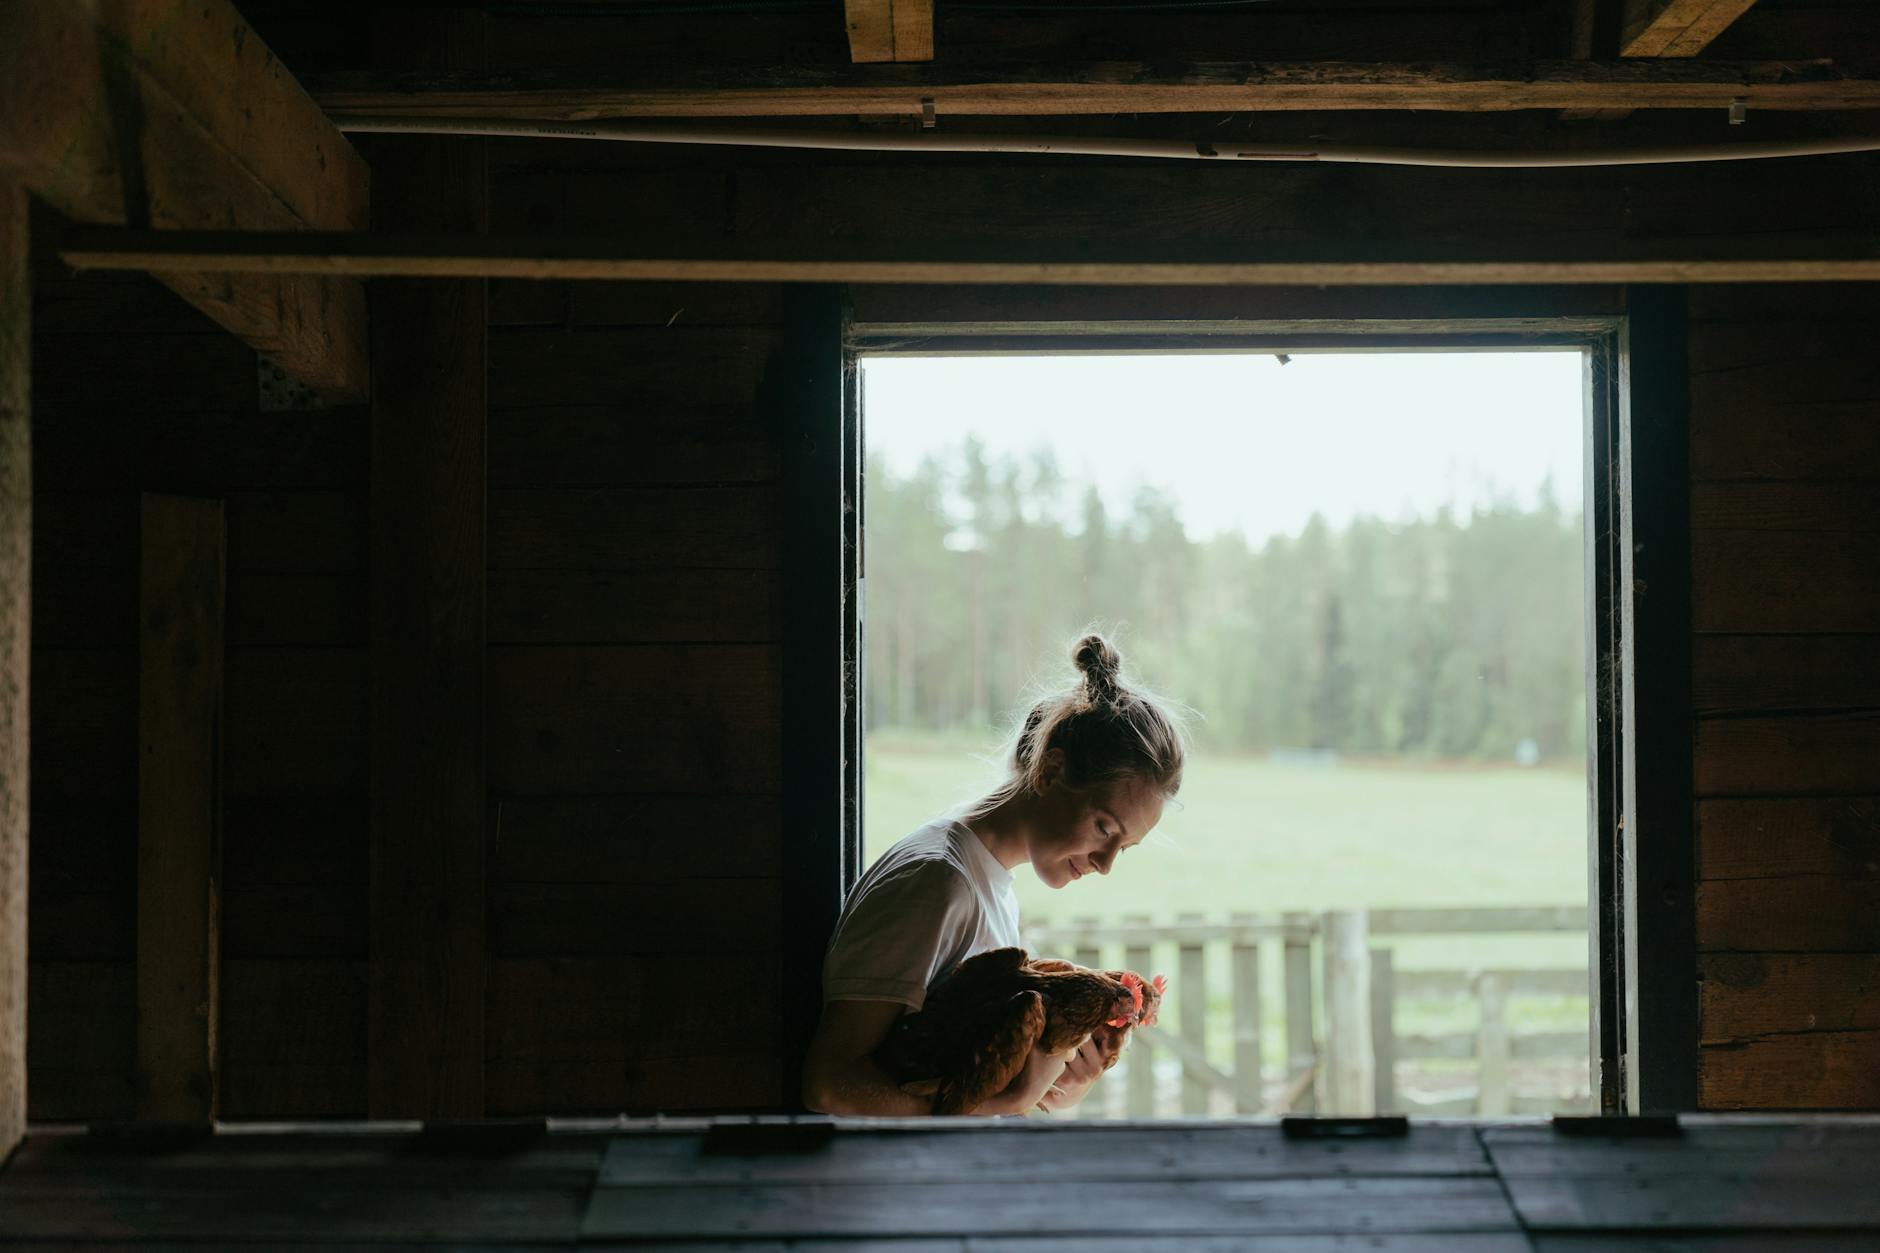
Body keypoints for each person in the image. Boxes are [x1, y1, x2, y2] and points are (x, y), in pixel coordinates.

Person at [801, 632, 1189, 1116]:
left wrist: (1054, 1083)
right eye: (1103, 827)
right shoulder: (936, 883)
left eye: (1123, 849)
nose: (1104, 863)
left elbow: (945, 1067)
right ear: (1049, 773)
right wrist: (1011, 1100)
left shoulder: (990, 886)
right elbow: (830, 1085)